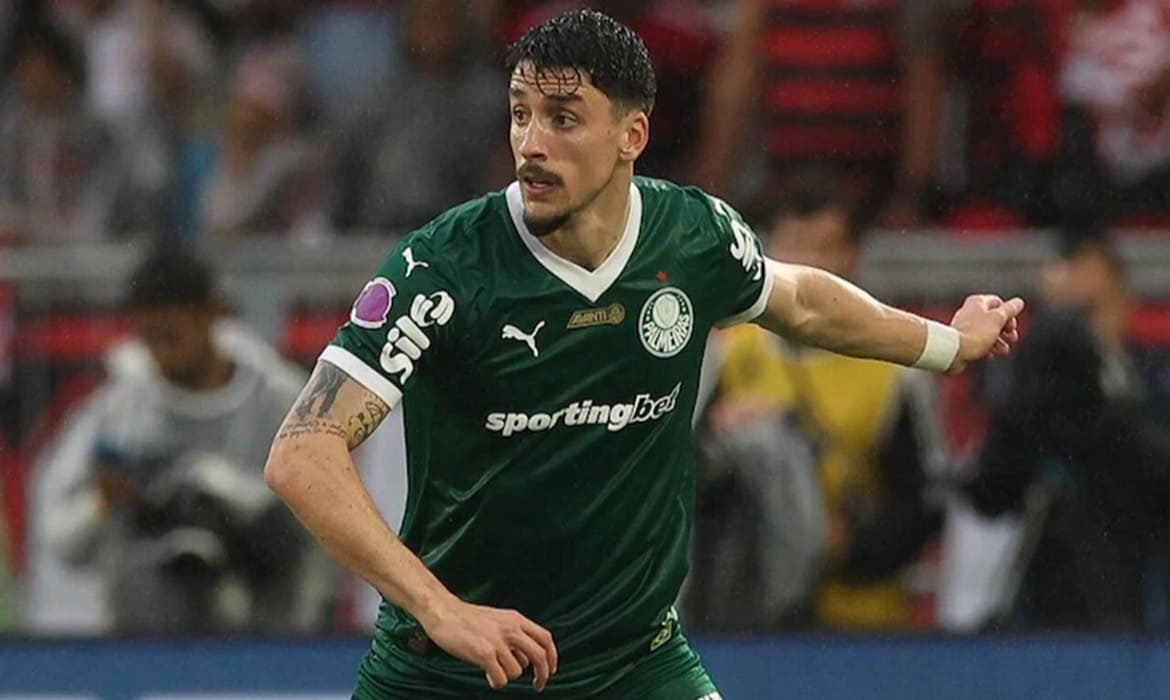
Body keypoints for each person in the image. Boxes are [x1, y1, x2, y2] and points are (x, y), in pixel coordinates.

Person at [264, 10, 1023, 698]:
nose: (532, 143)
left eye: (564, 118)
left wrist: (947, 344)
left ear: (632, 136)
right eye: (521, 113)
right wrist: (440, 608)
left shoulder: (689, 239)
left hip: (632, 662)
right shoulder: (443, 268)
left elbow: (798, 298)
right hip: (451, 671)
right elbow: (302, 452)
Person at [688, 168, 949, 632]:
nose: (807, 264)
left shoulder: (897, 370)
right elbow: (679, 479)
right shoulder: (727, 352)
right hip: (745, 620)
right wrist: (717, 438)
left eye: (824, 247)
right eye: (793, 246)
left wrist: (850, 545)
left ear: (853, 255)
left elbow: (925, 502)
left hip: (861, 621)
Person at [35, 247, 330, 635]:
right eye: (148, 338)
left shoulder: (281, 403)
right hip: (143, 640)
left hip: (264, 636)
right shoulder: (119, 408)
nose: (160, 353)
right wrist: (101, 504)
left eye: (170, 335)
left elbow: (330, 529)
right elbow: (59, 543)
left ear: (211, 316)